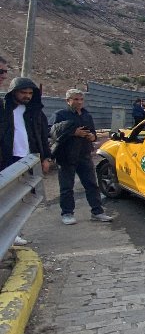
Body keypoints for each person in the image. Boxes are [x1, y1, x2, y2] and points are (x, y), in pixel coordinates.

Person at [50, 89, 114, 225]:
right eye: (75, 99)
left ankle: (97, 212)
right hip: (66, 156)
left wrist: (92, 136)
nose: (79, 102)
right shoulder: (60, 115)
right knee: (67, 187)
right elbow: (51, 132)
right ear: (68, 100)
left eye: (81, 99)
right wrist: (73, 132)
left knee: (91, 185)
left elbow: (93, 133)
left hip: (84, 155)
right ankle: (67, 213)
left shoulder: (87, 115)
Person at [1, 77, 52, 245]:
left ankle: (14, 232)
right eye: (23, 92)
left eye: (30, 93)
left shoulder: (35, 112)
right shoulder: (3, 110)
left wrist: (46, 157)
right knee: (7, 198)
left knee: (22, 198)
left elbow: (43, 137)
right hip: (8, 159)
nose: (27, 96)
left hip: (29, 159)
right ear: (14, 92)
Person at [0, 57, 30, 246]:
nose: (3, 75)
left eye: (4, 71)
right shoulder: (6, 107)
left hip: (16, 158)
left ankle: (9, 234)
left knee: (12, 198)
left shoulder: (29, 110)